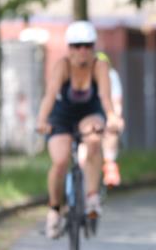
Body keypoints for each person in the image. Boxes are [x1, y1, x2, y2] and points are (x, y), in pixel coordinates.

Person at [35, 21, 123, 238]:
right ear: (69, 48)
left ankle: (92, 197)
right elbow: (50, 95)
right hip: (62, 116)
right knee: (60, 161)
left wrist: (112, 117)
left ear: (93, 47)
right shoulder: (62, 66)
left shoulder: (99, 66)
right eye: (77, 45)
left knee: (93, 140)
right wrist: (42, 120)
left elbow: (105, 97)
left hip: (89, 114)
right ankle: (54, 209)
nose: (82, 50)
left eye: (87, 45)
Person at [96, 51, 123, 188]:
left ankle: (110, 164)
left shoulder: (112, 76)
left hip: (107, 112)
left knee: (112, 130)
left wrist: (116, 117)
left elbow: (116, 100)